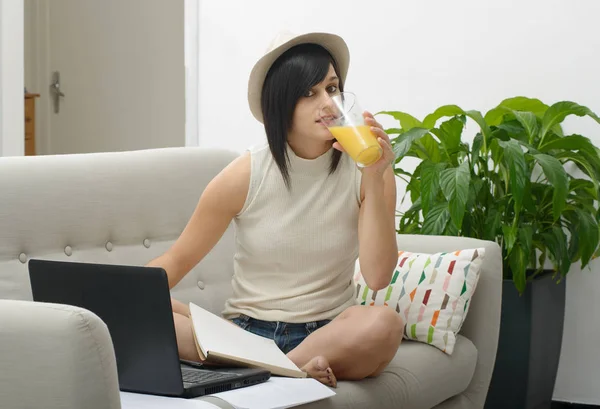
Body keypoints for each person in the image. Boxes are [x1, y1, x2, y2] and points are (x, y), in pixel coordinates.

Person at [147, 32, 404, 387]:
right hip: (244, 333)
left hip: (328, 333)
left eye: (332, 88)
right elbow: (177, 261)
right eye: (309, 93)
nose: (328, 103)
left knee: (384, 324)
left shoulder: (368, 171)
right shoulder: (245, 174)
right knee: (153, 310)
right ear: (281, 105)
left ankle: (264, 370)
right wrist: (124, 294)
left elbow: (377, 277)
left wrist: (375, 178)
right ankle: (288, 369)